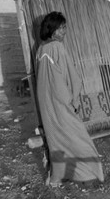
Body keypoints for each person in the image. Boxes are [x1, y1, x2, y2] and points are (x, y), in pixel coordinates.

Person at [36, 11, 104, 187]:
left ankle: (57, 177)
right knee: (79, 138)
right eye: (62, 28)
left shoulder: (40, 50)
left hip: (46, 105)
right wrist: (74, 100)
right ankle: (89, 173)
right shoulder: (57, 47)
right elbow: (73, 77)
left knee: (56, 140)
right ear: (53, 29)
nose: (65, 31)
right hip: (61, 102)